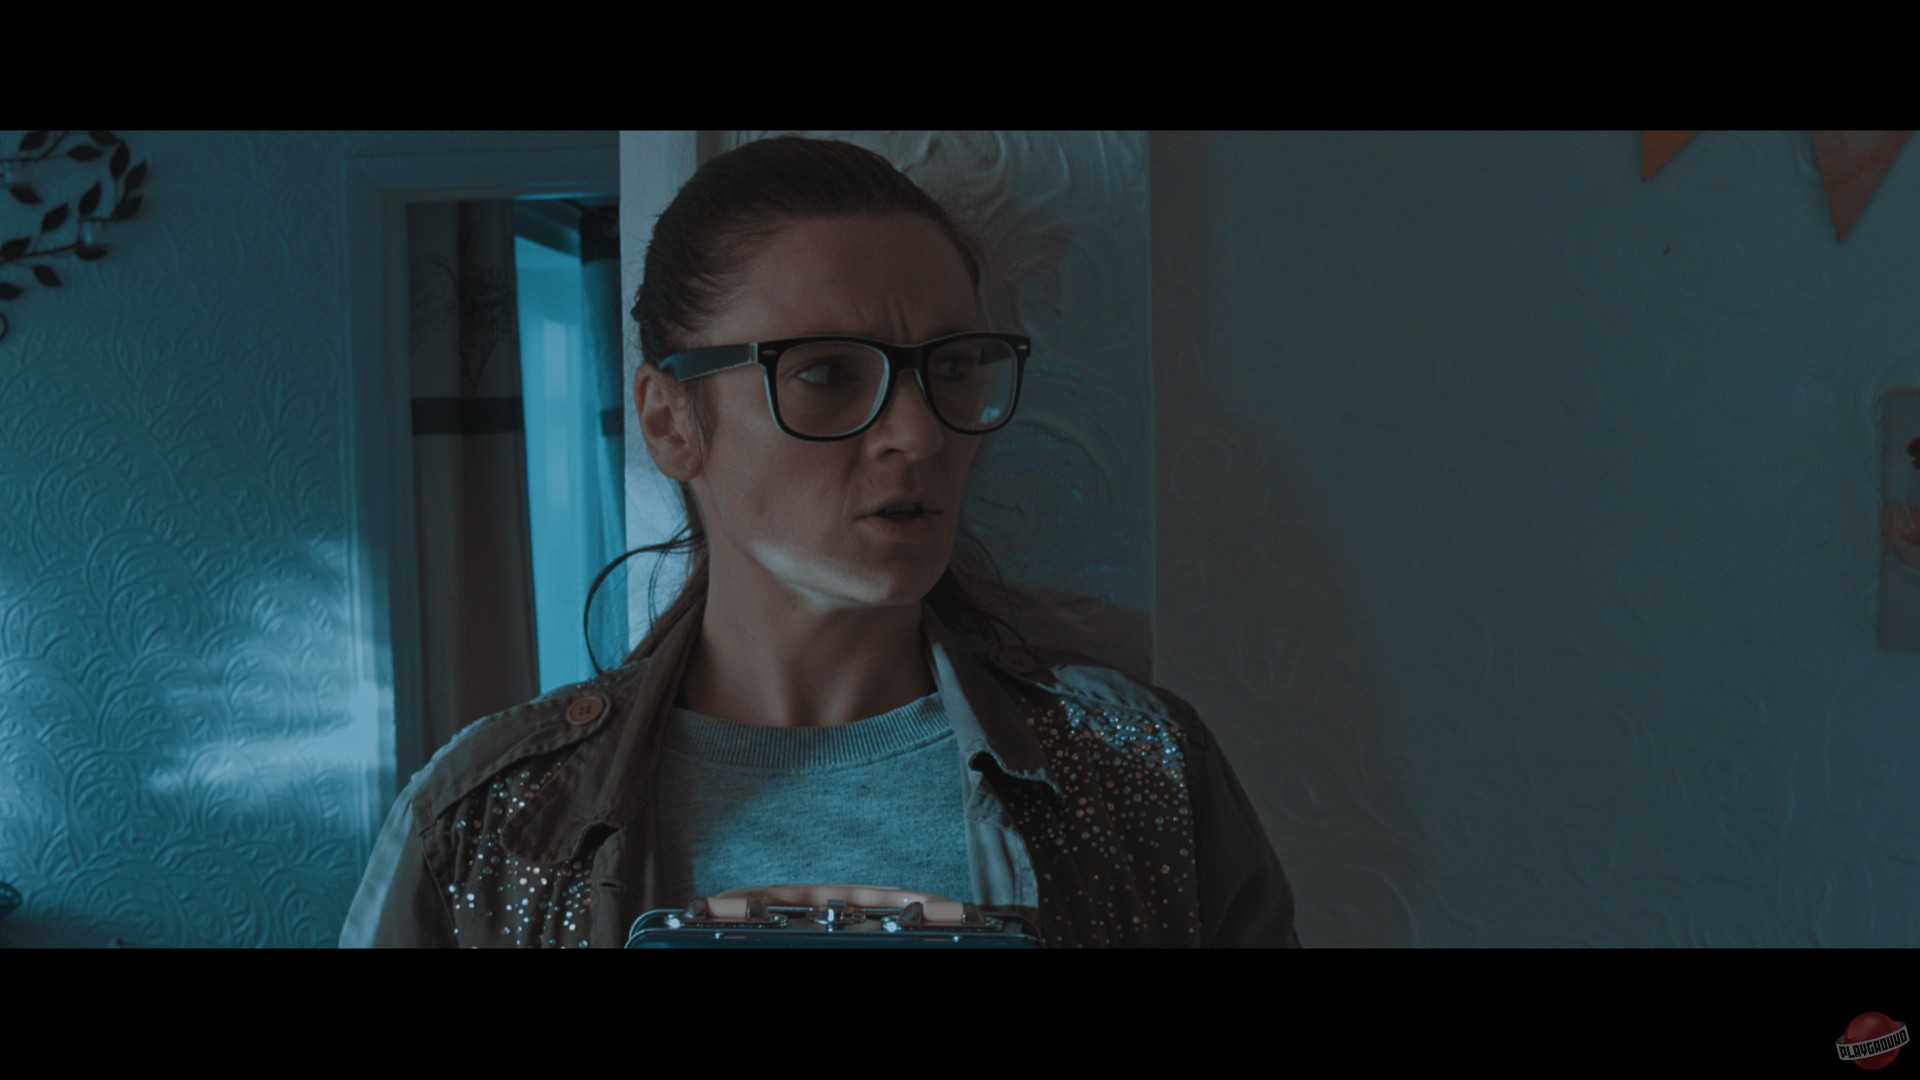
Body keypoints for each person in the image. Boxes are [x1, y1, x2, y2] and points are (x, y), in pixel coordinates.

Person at [340, 135, 1299, 948]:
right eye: (828, 374)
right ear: (670, 421)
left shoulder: (1139, 774)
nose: (918, 435)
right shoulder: (490, 826)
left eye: (952, 369)